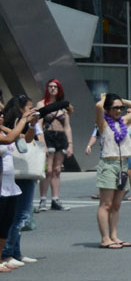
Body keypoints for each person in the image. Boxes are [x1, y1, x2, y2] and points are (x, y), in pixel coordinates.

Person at [94, 93, 131, 249]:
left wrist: (122, 100)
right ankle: (105, 238)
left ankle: (114, 236)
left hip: (123, 165)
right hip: (109, 164)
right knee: (106, 204)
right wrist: (104, 98)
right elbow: (98, 106)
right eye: (115, 108)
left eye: (121, 108)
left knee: (116, 205)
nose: (118, 111)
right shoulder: (103, 123)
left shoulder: (123, 121)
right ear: (108, 109)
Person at [1, 97, 39, 273]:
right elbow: (10, 139)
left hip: (10, 181)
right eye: (29, 108)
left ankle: (8, 254)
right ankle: (7, 253)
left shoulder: (5, 128)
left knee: (10, 219)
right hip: (9, 179)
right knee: (11, 218)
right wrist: (23, 120)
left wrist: (32, 124)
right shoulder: (7, 129)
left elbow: (26, 140)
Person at [37, 79, 72, 212]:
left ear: (59, 89)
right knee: (48, 170)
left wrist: (70, 144)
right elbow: (38, 125)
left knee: (57, 170)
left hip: (61, 137)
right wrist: (42, 144)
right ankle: (42, 199)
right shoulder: (42, 104)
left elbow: (67, 126)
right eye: (50, 86)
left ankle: (55, 199)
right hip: (48, 137)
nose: (52, 89)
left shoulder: (63, 106)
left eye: (55, 86)